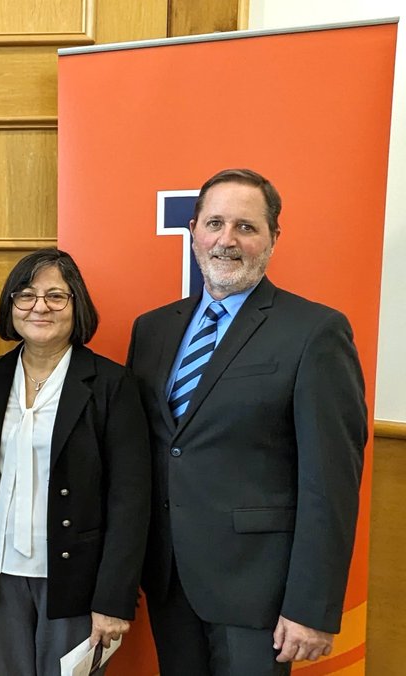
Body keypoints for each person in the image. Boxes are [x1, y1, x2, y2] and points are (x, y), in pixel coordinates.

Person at [127, 168, 366, 675]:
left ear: (273, 238)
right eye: (214, 223)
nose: (226, 240)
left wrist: (311, 606)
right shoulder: (152, 329)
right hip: (170, 581)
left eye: (246, 227)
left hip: (260, 592)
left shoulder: (315, 331)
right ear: (193, 230)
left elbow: (331, 482)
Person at [0, 248, 150, 675]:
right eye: (26, 294)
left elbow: (130, 500)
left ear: (77, 305)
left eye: (56, 296)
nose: (40, 306)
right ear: (11, 305)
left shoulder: (111, 384)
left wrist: (113, 599)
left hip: (76, 580)